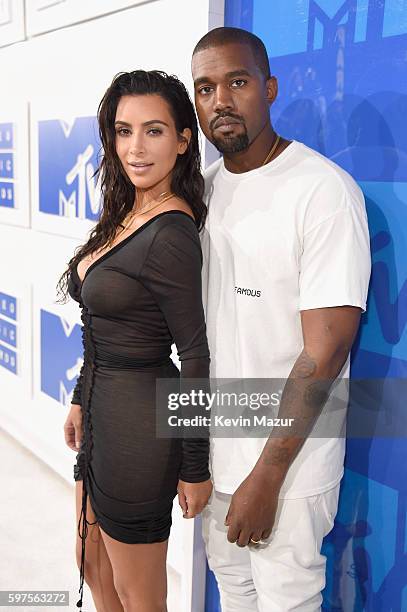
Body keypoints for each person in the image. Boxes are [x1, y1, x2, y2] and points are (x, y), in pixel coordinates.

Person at [191, 27, 371, 611]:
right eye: (205, 88)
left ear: (269, 89)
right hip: (219, 455)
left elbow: (326, 350)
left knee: (287, 601)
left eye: (237, 82)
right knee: (235, 591)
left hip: (288, 467)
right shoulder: (204, 191)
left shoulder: (321, 191)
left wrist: (267, 476)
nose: (221, 100)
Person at [57, 70, 212, 612]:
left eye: (154, 131)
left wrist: (195, 465)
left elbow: (194, 354)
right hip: (102, 412)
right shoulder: (127, 209)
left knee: (137, 593)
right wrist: (81, 396)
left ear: (182, 140)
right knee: (92, 565)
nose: (136, 147)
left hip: (142, 430)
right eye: (124, 131)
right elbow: (103, 329)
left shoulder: (171, 233)